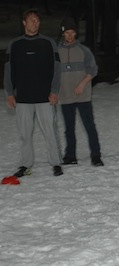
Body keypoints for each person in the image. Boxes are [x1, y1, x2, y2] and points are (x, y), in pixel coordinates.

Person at [3, 9, 63, 177]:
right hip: (22, 98)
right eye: (31, 20)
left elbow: (57, 70)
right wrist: (9, 92)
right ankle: (25, 165)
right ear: (24, 23)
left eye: (37, 20)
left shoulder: (48, 43)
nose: (34, 23)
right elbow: (8, 70)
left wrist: (54, 91)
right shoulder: (15, 44)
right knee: (25, 134)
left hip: (45, 97)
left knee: (50, 131)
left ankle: (56, 163)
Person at [58, 17, 104, 166]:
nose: (70, 35)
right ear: (63, 33)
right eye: (67, 32)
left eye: (72, 32)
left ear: (76, 33)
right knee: (68, 129)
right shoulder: (56, 52)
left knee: (90, 126)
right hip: (65, 96)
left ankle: (96, 156)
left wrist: (82, 84)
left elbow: (93, 70)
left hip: (83, 96)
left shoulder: (84, 50)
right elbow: (51, 73)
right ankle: (70, 156)